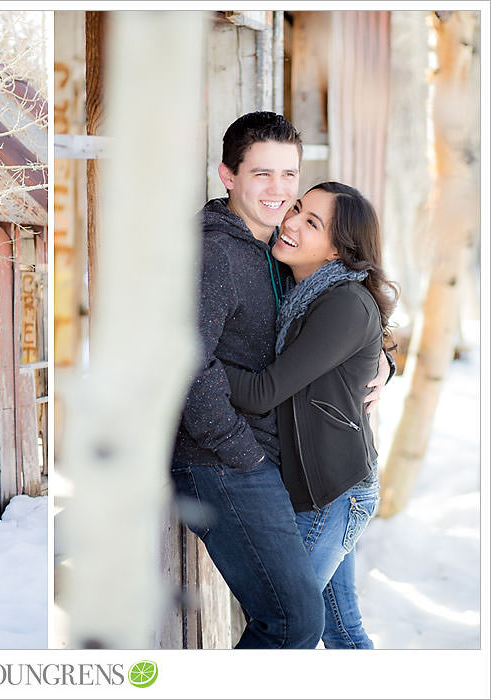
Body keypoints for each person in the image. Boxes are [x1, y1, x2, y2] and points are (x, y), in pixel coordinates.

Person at [170, 111, 391, 649]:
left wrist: (385, 359)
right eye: (262, 175)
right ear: (228, 176)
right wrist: (241, 451)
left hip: (307, 474)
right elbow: (187, 362)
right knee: (297, 623)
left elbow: (346, 325)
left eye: (289, 176)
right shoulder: (218, 253)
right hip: (230, 461)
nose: (280, 195)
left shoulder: (278, 257)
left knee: (331, 626)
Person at [223, 182, 398, 648]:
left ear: (339, 252)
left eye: (311, 223)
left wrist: (190, 361)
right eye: (296, 210)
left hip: (333, 495)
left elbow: (264, 392)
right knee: (341, 631)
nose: (291, 222)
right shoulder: (298, 287)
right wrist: (385, 360)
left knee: (283, 625)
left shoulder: (343, 302)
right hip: (317, 486)